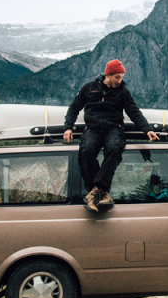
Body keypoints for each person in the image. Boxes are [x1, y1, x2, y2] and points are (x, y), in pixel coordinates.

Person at [62, 59, 159, 212]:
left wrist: (147, 129)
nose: (120, 81)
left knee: (114, 148)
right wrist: (68, 128)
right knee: (86, 151)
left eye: (121, 77)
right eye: (117, 77)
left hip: (114, 128)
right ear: (108, 75)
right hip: (92, 128)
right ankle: (100, 192)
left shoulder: (123, 92)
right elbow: (74, 108)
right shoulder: (89, 88)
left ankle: (96, 191)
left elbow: (134, 112)